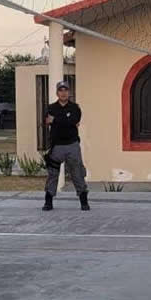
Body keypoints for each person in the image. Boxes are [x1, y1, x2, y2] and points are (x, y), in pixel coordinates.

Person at [42, 81, 90, 211]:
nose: (63, 93)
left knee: (77, 173)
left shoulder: (75, 108)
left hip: (72, 145)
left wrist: (56, 120)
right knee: (52, 174)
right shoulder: (51, 108)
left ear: (69, 92)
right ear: (57, 93)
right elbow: (48, 121)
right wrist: (66, 121)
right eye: (60, 90)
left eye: (65, 90)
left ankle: (84, 202)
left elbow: (74, 121)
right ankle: (48, 202)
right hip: (56, 146)